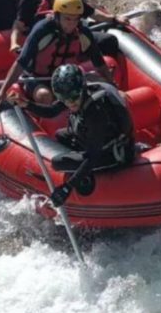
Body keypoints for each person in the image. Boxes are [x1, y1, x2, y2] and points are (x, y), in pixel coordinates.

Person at [8, 64, 135, 206]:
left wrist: (67, 187)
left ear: (82, 89)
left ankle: (87, 173)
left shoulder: (95, 112)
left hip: (112, 154)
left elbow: (94, 155)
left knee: (58, 162)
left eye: (73, 98)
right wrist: (25, 104)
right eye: (64, 99)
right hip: (96, 139)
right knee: (61, 135)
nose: (70, 103)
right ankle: (80, 162)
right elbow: (52, 111)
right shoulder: (74, 93)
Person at [0, 0, 114, 106]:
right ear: (57, 16)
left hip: (66, 78)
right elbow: (21, 62)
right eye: (67, 19)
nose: (72, 24)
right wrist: (2, 92)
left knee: (102, 84)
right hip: (36, 78)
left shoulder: (83, 33)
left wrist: (111, 83)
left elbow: (99, 63)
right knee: (44, 95)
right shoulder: (42, 30)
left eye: (76, 19)